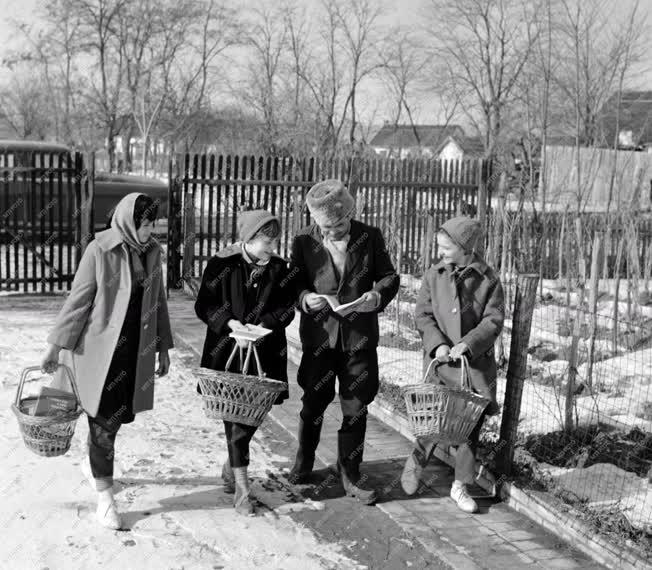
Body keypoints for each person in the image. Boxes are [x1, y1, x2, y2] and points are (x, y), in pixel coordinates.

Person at [41, 192, 173, 530]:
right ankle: (105, 498)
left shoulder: (153, 252)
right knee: (103, 428)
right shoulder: (99, 250)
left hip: (134, 354)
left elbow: (158, 301)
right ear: (128, 220)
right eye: (143, 224)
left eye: (152, 224)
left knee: (114, 421)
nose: (147, 231)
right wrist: (55, 347)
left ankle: (95, 465)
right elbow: (78, 302)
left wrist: (162, 347)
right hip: (98, 355)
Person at [288, 179, 399, 505]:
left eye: (339, 224)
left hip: (357, 339)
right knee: (313, 403)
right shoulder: (304, 241)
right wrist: (305, 298)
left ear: (350, 213)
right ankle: (303, 463)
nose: (333, 231)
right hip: (319, 338)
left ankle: (350, 472)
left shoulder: (370, 236)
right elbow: (294, 281)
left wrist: (376, 296)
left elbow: (390, 277)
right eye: (326, 226)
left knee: (356, 406)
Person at [400, 215, 504, 513]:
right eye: (439, 246)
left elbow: (493, 320)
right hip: (442, 362)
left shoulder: (488, 280)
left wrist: (468, 344)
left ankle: (461, 485)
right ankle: (418, 460)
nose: (440, 252)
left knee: (470, 428)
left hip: (473, 369)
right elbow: (423, 315)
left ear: (464, 247)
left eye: (446, 247)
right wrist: (440, 344)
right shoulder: (434, 275)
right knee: (432, 419)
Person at [195, 209, 296, 516]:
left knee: (253, 415)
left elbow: (287, 309)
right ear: (249, 238)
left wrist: (262, 326)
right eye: (266, 240)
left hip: (265, 354)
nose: (272, 246)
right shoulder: (221, 263)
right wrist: (230, 325)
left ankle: (231, 463)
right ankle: (242, 488)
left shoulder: (281, 269)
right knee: (234, 416)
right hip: (227, 352)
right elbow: (204, 304)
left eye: (275, 240)